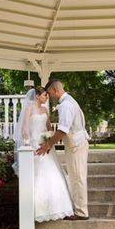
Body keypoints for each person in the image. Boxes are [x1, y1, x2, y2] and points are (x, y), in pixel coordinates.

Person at [14, 87, 74, 222]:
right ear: (37, 96)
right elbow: (25, 128)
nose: (47, 97)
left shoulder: (46, 110)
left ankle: (57, 208)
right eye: (44, 95)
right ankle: (37, 210)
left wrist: (50, 136)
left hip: (45, 145)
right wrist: (28, 142)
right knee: (38, 175)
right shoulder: (29, 109)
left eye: (47, 95)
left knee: (52, 172)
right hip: (35, 144)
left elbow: (48, 127)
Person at [36, 79, 90, 220]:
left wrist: (48, 144)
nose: (49, 97)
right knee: (76, 177)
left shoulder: (66, 105)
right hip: (77, 143)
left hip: (76, 145)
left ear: (55, 90)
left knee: (78, 178)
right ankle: (79, 209)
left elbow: (62, 130)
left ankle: (81, 213)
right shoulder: (70, 100)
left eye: (49, 93)